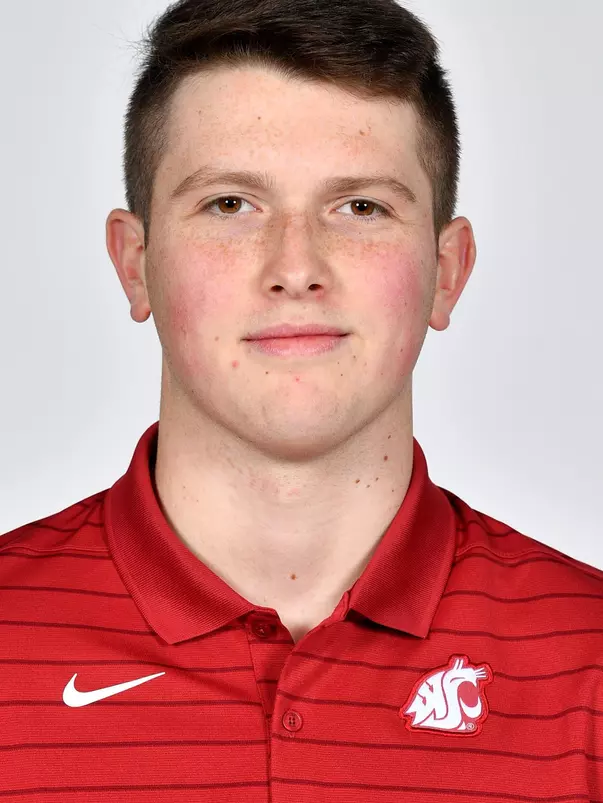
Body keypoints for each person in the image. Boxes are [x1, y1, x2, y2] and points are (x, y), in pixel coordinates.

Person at [1, 0, 601, 800]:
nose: (295, 266)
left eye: (359, 208)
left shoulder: (590, 660)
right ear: (135, 263)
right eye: (230, 204)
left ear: (445, 270)